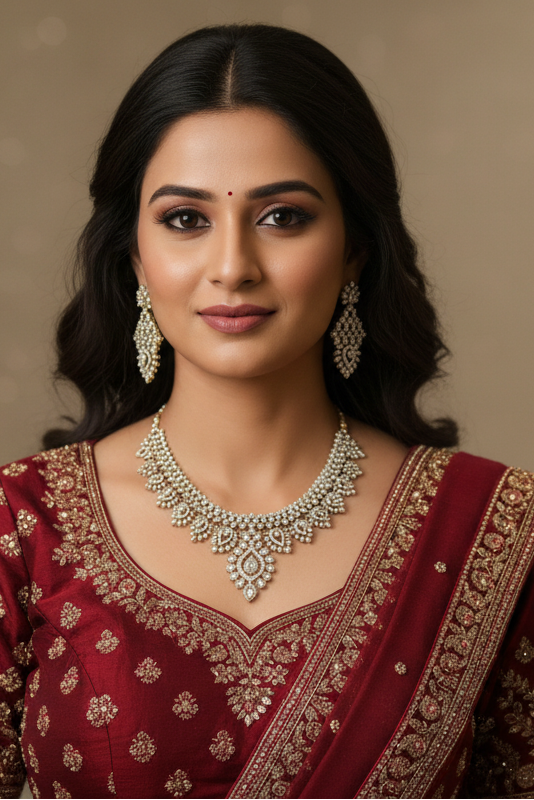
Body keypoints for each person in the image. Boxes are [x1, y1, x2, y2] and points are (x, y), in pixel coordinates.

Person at [0, 23, 532, 800]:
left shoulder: (495, 529)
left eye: (283, 216)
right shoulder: (22, 525)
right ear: (133, 254)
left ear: (355, 247)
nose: (232, 267)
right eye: (185, 220)